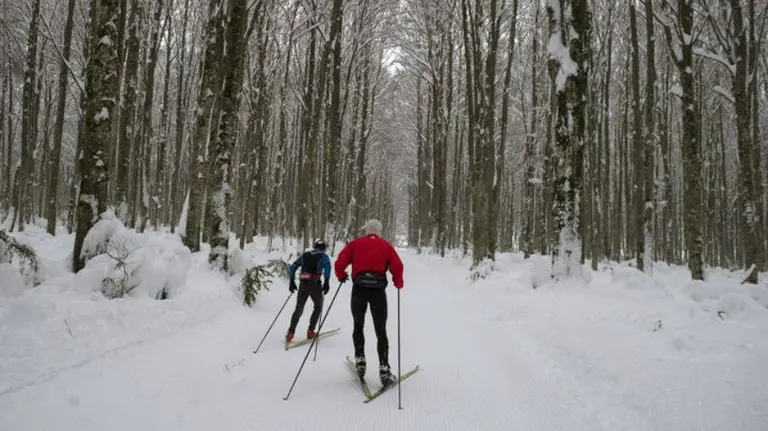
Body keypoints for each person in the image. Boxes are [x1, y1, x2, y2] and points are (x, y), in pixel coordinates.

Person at [334, 219, 404, 386]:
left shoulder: (355, 244)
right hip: (378, 292)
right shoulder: (386, 246)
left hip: (359, 291)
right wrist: (398, 281)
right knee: (381, 330)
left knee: (358, 325)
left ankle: (360, 361)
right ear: (379, 231)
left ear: (366, 231)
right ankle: (384, 370)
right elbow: (398, 266)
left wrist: (341, 275)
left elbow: (340, 262)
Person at [285, 239, 332, 343]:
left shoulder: (305, 255)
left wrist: (291, 281)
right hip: (315, 284)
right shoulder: (324, 256)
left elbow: (294, 266)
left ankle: (290, 333)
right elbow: (328, 268)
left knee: (299, 309)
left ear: (315, 246)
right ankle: (311, 331)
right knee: (318, 306)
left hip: (303, 283)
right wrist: (327, 281)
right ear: (324, 248)